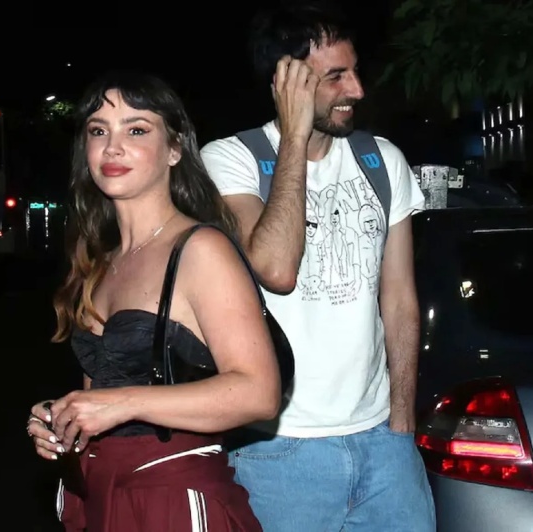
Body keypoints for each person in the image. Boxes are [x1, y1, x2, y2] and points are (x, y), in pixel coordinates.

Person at [200, 2, 436, 531]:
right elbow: (275, 267)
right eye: (335, 77)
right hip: (277, 452)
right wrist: (294, 137)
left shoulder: (384, 160)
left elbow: (399, 299)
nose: (357, 90)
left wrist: (402, 424)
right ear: (286, 83)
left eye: (355, 71)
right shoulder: (230, 159)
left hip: (383, 444)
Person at [26, 70, 282, 532]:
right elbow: (102, 393)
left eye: (137, 130)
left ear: (174, 149)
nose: (112, 147)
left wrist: (124, 403)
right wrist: (63, 421)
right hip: (103, 490)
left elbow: (259, 394)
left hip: (173, 498)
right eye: (98, 131)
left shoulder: (200, 250)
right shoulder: (98, 260)